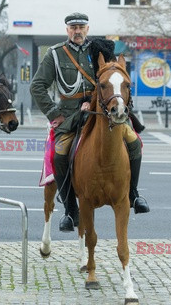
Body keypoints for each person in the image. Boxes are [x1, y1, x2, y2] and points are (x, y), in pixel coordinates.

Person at [30, 12, 149, 233]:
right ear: (67, 30)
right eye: (73, 27)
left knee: (134, 143)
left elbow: (114, 77)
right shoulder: (55, 55)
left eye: (81, 27)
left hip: (103, 112)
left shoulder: (100, 50)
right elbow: (36, 86)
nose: (77, 31)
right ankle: (70, 210)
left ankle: (133, 194)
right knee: (60, 153)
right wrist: (54, 113)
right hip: (71, 116)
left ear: (87, 28)